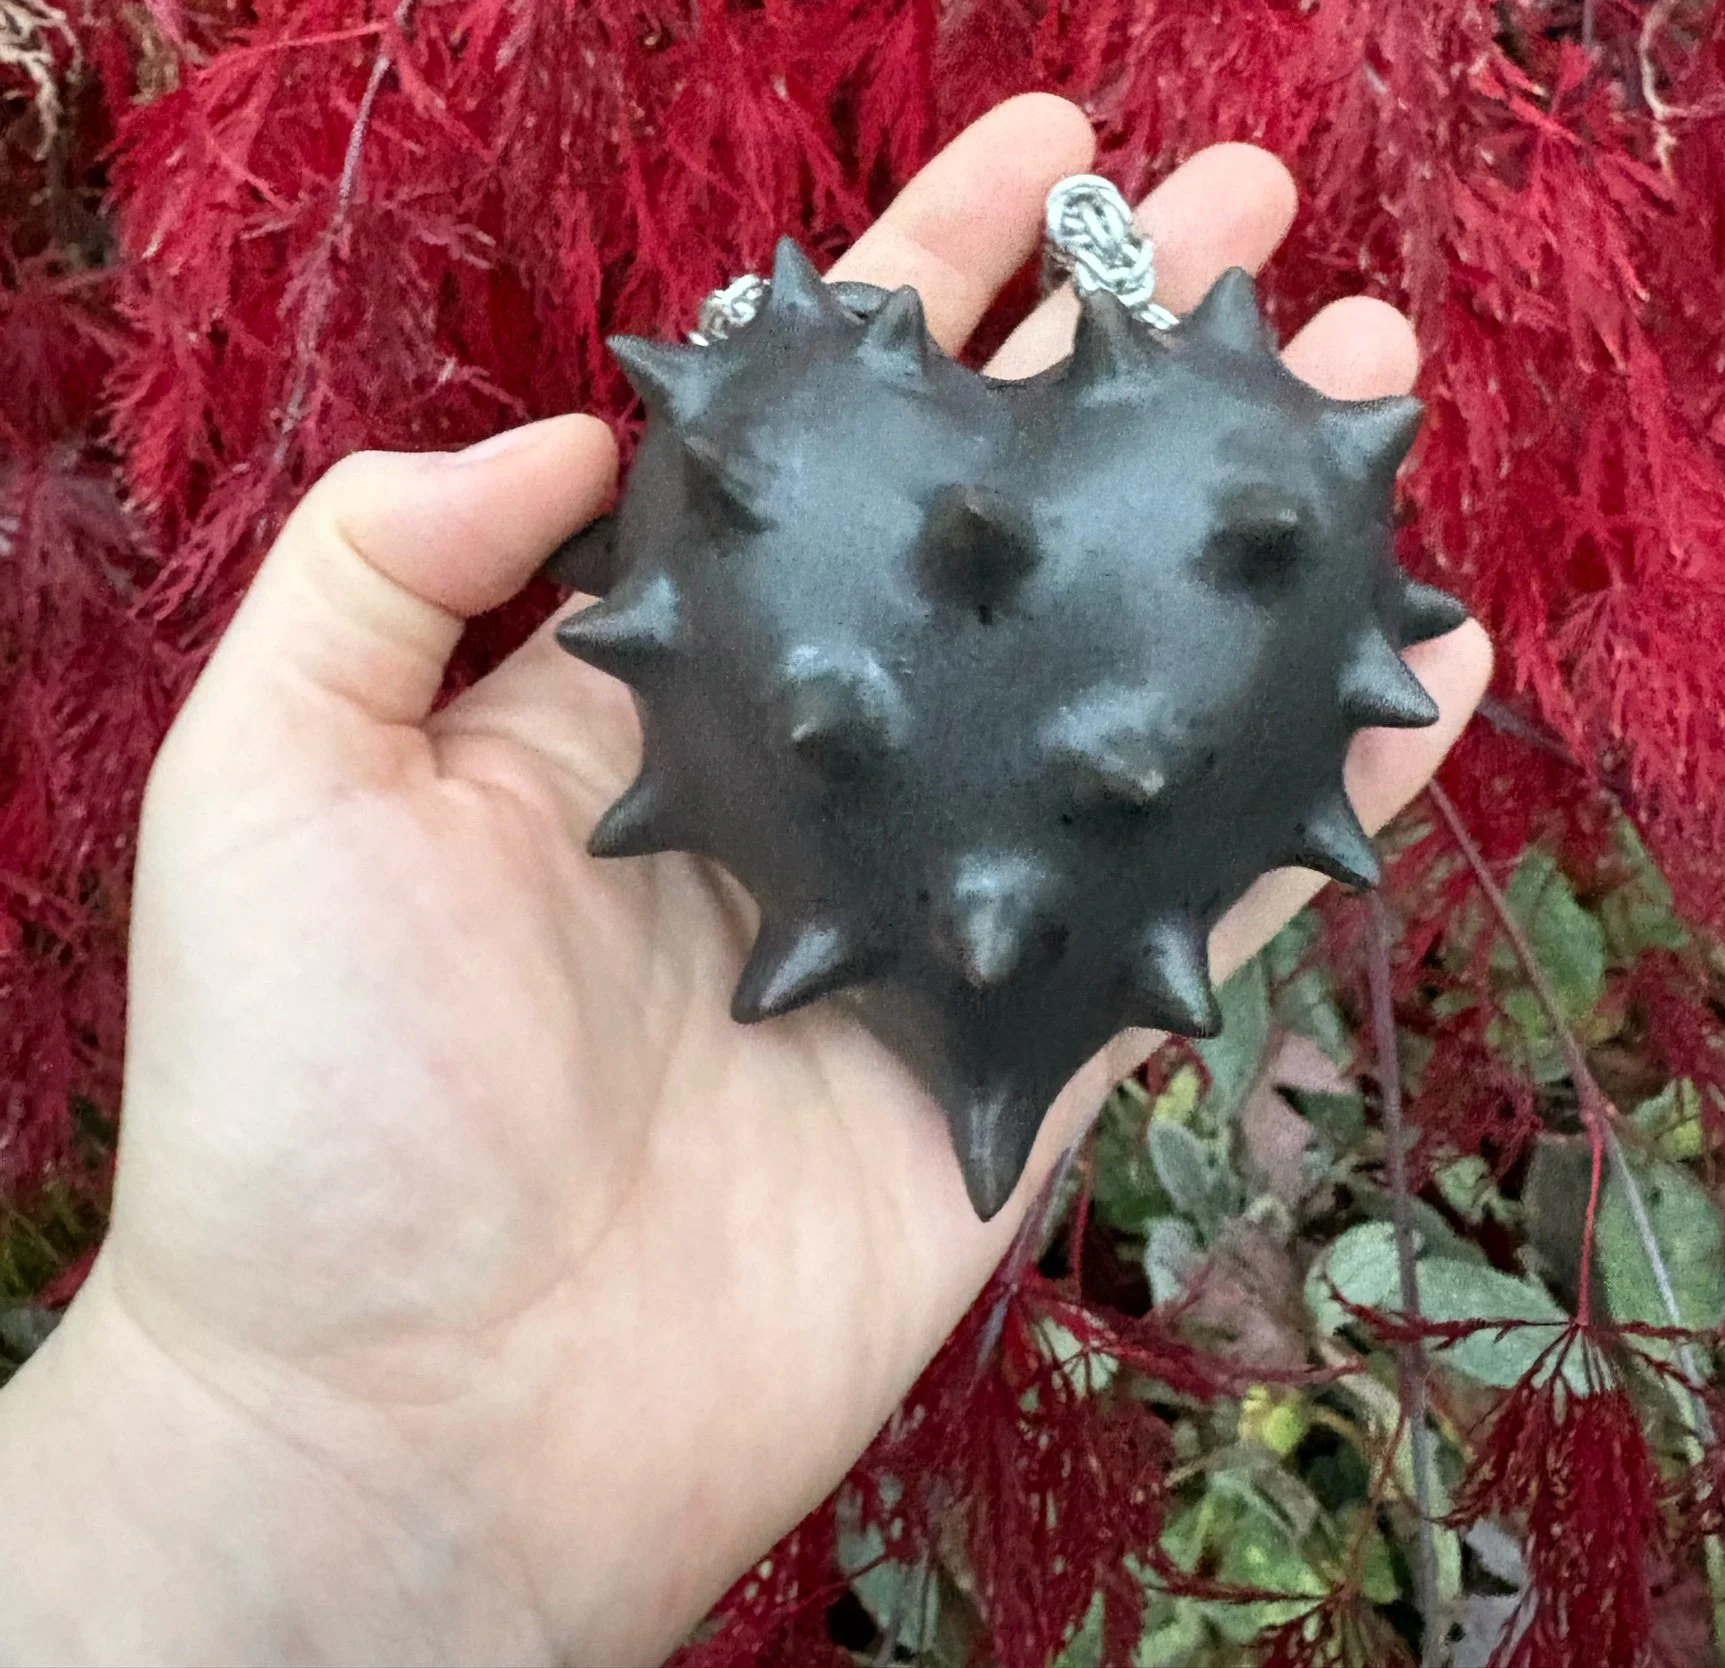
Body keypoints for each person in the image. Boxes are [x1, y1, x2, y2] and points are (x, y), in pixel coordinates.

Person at [0, 95, 1490, 1668]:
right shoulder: (1202, 469)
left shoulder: (768, 441)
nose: (982, 928)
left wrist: (244, 1437)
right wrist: (270, 1414)